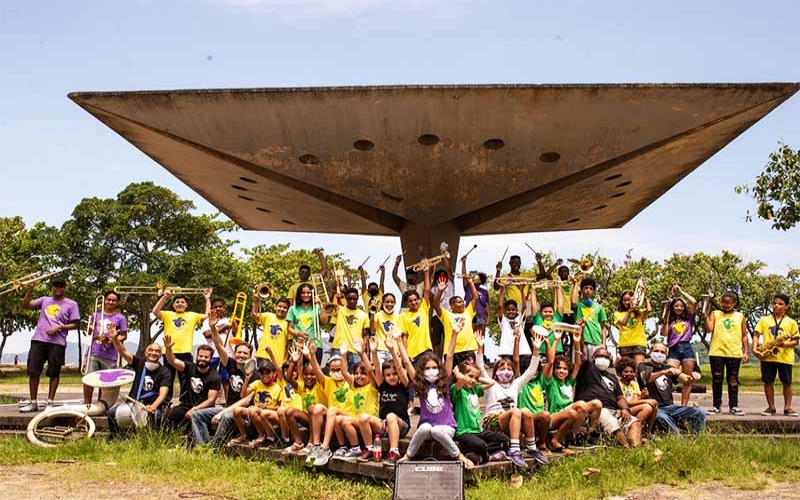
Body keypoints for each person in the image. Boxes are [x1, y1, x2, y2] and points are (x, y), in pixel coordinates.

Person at [478, 325, 549, 466]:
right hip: (492, 421)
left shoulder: (516, 384)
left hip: (512, 422)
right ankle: (515, 450)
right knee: (517, 411)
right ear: (495, 372)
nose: (506, 371)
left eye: (509, 368)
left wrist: (536, 351)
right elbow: (480, 367)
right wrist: (480, 349)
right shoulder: (492, 384)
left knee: (526, 411)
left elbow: (530, 371)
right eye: (502, 368)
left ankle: (532, 447)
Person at [397, 349, 474, 468]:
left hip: (446, 428)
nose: (431, 371)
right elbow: (407, 363)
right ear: (422, 371)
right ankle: (408, 456)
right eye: (427, 368)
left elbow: (449, 357)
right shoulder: (421, 386)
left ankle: (459, 456)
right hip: (428, 430)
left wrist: (454, 333)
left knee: (436, 430)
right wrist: (397, 343)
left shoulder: (445, 383)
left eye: (434, 367)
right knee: (425, 427)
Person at [191, 316, 256, 446]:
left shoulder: (253, 373)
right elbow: (219, 345)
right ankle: (202, 446)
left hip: (243, 413)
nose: (241, 356)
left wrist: (223, 412)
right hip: (228, 408)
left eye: (245, 354)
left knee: (225, 417)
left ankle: (214, 449)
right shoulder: (231, 364)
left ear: (250, 356)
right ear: (234, 353)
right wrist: (213, 328)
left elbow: (246, 401)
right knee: (197, 415)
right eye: (239, 352)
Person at [447, 338, 510, 466]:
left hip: (478, 430)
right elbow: (459, 381)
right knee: (481, 445)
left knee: (504, 439)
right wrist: (459, 374)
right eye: (470, 377)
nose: (473, 381)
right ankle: (487, 457)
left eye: (475, 378)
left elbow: (492, 382)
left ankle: (479, 454)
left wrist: (475, 377)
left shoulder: (474, 390)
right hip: (464, 432)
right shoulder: (457, 390)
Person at [20, 278, 80, 412]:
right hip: (39, 340)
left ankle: (50, 403)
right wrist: (30, 288)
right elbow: (26, 305)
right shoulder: (44, 300)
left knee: (54, 373)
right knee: (33, 372)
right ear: (52, 287)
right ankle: (33, 402)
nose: (58, 289)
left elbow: (75, 325)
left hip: (57, 343)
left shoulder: (71, 304)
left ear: (64, 288)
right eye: (55, 286)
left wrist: (59, 327)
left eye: (61, 286)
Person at [313, 342, 379, 465]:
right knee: (337, 417)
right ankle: (347, 448)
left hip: (369, 422)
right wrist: (343, 355)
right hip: (356, 420)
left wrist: (362, 353)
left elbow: (370, 370)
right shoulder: (354, 386)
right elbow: (344, 372)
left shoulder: (372, 386)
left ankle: (327, 447)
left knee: (340, 418)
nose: (359, 376)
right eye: (357, 373)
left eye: (363, 374)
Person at [540, 327, 597, 453]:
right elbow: (550, 361)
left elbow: (578, 363)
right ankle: (574, 438)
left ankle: (589, 434)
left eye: (565, 369)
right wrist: (555, 340)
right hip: (555, 416)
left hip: (571, 413)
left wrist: (577, 343)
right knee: (580, 405)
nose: (562, 371)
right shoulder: (551, 382)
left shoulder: (569, 381)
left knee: (596, 404)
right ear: (554, 370)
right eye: (559, 368)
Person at [356, 334, 410, 464]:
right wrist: (368, 353)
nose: (392, 377)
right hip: (384, 424)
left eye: (394, 374)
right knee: (363, 417)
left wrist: (392, 350)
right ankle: (369, 448)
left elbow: (400, 368)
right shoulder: (383, 386)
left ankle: (394, 451)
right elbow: (371, 370)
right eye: (388, 375)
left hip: (401, 424)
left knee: (391, 416)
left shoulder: (404, 385)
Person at [575, 346, 642, 448]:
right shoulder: (587, 369)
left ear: (610, 359)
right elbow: (581, 352)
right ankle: (626, 448)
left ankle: (636, 450)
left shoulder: (612, 377)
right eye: (600, 356)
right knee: (611, 421)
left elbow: (620, 397)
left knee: (635, 422)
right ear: (593, 357)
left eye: (606, 357)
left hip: (615, 410)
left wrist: (625, 409)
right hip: (596, 410)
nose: (603, 359)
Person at [108, 327, 170, 434]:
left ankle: (152, 440)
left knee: (156, 416)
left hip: (151, 405)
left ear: (160, 355)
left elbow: (163, 394)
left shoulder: (165, 372)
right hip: (133, 403)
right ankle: (116, 437)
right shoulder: (139, 363)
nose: (153, 353)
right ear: (145, 353)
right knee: (112, 413)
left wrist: (154, 406)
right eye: (150, 350)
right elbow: (123, 352)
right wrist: (114, 339)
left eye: (157, 351)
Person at [637, 342, 706, 434]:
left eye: (662, 352)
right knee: (663, 418)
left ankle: (698, 436)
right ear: (650, 352)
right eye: (656, 351)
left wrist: (693, 377)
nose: (659, 354)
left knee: (699, 412)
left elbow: (685, 380)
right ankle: (679, 440)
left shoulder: (669, 367)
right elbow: (646, 377)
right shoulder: (643, 366)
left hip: (671, 406)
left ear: (666, 355)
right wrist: (664, 372)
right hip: (655, 408)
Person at [152, 289, 211, 395]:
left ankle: (185, 402)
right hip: (169, 352)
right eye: (177, 302)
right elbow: (155, 311)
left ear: (186, 305)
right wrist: (165, 297)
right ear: (173, 305)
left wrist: (207, 299)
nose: (180, 304)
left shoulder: (192, 315)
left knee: (186, 380)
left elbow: (207, 315)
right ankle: (166, 403)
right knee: (167, 378)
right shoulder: (168, 315)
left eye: (182, 302)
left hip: (185, 352)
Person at [303, 344, 351, 466]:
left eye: (339, 369)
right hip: (331, 417)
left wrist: (344, 355)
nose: (336, 372)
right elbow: (317, 370)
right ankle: (316, 446)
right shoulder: (328, 382)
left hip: (348, 416)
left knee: (332, 410)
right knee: (317, 407)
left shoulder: (351, 380)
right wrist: (312, 355)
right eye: (333, 370)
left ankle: (325, 448)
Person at [753, 294, 799, 417]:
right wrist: (755, 349)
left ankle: (788, 407)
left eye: (780, 304)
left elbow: (796, 341)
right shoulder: (764, 320)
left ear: (786, 307)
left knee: (787, 382)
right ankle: (771, 407)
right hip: (768, 356)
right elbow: (756, 334)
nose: (776, 306)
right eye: (774, 303)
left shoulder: (791, 322)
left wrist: (784, 344)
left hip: (785, 358)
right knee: (768, 382)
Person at [704, 291, 749, 415]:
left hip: (734, 352)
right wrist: (705, 316)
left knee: (733, 379)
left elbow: (744, 335)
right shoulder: (715, 314)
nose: (726, 305)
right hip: (717, 352)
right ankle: (716, 405)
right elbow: (708, 329)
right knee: (717, 379)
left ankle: (733, 406)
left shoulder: (740, 316)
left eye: (729, 303)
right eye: (724, 302)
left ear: (735, 303)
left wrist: (746, 352)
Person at [163, 338, 221, 431]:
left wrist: (195, 409)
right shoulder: (189, 367)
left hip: (203, 409)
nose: (202, 359)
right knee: (171, 415)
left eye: (206, 357)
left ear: (210, 358)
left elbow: (211, 400)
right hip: (185, 405)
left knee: (195, 421)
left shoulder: (215, 376)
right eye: (200, 356)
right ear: (196, 356)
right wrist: (168, 349)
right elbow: (172, 361)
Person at [83, 290, 129, 405]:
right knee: (89, 379)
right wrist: (90, 328)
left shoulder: (120, 317)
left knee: (104, 383)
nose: (110, 302)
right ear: (104, 300)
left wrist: (112, 340)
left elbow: (124, 335)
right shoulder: (96, 315)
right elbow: (89, 332)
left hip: (110, 354)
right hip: (94, 352)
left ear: (117, 302)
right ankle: (87, 404)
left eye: (113, 300)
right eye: (108, 299)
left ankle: (101, 405)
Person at [232, 346, 283, 447]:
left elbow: (280, 407)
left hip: (270, 414)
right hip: (255, 413)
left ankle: (262, 435)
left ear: (274, 373)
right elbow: (243, 395)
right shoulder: (257, 383)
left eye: (268, 372)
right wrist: (247, 379)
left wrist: (267, 407)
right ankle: (243, 435)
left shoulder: (278, 385)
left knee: (253, 410)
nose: (265, 375)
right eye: (262, 373)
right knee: (236, 410)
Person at [280, 346, 325, 454]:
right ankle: (298, 442)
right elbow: (289, 378)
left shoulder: (321, 384)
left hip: (322, 420)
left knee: (312, 409)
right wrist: (293, 362)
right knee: (289, 411)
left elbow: (318, 371)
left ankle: (311, 443)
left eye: (312, 374)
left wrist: (310, 356)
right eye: (306, 374)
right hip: (308, 419)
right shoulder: (302, 386)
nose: (309, 377)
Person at [662, 285, 699, 406]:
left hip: (686, 348)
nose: (679, 308)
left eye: (681, 306)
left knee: (687, 380)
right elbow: (664, 333)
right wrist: (666, 315)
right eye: (676, 306)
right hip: (673, 349)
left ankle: (684, 406)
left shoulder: (689, 319)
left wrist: (681, 291)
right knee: (668, 375)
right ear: (673, 308)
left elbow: (693, 302)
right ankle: (668, 403)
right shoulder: (670, 319)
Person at [434, 269, 479, 366]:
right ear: (452, 305)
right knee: (452, 379)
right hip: (451, 352)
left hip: (468, 350)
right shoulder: (446, 315)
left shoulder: (468, 312)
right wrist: (440, 291)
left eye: (462, 301)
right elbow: (436, 304)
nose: (462, 303)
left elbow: (475, 297)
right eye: (459, 302)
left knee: (469, 378)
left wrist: (470, 282)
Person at [614, 357, 658, 438]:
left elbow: (635, 400)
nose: (629, 374)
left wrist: (642, 396)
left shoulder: (634, 384)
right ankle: (635, 430)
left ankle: (648, 432)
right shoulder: (617, 384)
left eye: (631, 372)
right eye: (626, 372)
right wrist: (646, 401)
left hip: (632, 408)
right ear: (620, 373)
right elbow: (626, 403)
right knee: (647, 407)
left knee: (654, 405)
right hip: (622, 410)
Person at [287, 283, 329, 365]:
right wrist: (299, 333)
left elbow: (324, 322)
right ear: (299, 294)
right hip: (298, 345)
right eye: (303, 293)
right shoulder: (292, 309)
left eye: (308, 293)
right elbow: (289, 328)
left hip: (315, 344)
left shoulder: (316, 307)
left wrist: (320, 303)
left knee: (315, 371)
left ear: (313, 294)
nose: (306, 295)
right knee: (299, 372)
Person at [200, 298, 231, 399]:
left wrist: (233, 324)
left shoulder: (228, 320)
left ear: (224, 308)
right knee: (210, 379)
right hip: (213, 355)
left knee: (226, 380)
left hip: (227, 355)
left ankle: (228, 401)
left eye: (220, 307)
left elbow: (236, 333)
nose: (218, 308)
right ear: (211, 309)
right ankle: (208, 401)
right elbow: (208, 334)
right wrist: (223, 328)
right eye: (215, 307)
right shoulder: (207, 321)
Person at [331, 287, 370, 368]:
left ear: (357, 298)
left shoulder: (364, 315)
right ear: (345, 298)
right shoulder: (338, 310)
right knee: (338, 376)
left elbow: (366, 335)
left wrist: (365, 350)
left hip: (356, 350)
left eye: (354, 299)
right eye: (349, 299)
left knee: (355, 377)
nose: (352, 301)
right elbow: (327, 315)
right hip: (339, 348)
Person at [496, 285, 532, 367]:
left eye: (513, 310)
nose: (511, 312)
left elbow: (524, 307)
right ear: (505, 311)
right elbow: (500, 306)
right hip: (507, 352)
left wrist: (522, 291)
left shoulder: (520, 318)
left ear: (516, 310)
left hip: (523, 351)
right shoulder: (503, 320)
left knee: (524, 376)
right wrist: (502, 290)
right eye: (508, 310)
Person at [571, 278, 608, 358]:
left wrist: (603, 343)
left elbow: (603, 327)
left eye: (591, 289)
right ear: (581, 289)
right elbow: (573, 302)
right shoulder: (578, 304)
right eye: (586, 288)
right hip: (580, 340)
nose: (588, 290)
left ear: (594, 291)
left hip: (596, 341)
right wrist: (576, 284)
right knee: (580, 365)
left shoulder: (599, 307)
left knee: (595, 368)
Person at [613, 289, 651, 365]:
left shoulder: (639, 312)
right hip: (625, 344)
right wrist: (630, 310)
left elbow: (649, 310)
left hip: (639, 342)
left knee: (639, 366)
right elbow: (623, 322)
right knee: (627, 368)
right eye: (624, 300)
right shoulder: (617, 313)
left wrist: (645, 297)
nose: (626, 302)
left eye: (629, 300)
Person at [429, 246, 455, 358]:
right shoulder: (434, 288)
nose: (442, 277)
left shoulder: (450, 284)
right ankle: (437, 364)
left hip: (449, 315)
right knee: (436, 343)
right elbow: (428, 286)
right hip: (436, 316)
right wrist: (433, 268)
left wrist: (445, 256)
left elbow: (449, 270)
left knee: (449, 341)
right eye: (439, 276)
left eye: (443, 275)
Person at [252, 294, 290, 368]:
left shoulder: (289, 323)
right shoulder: (268, 316)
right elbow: (254, 316)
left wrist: (285, 359)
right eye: (280, 306)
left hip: (278, 359)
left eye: (285, 308)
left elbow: (289, 344)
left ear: (288, 310)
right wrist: (256, 302)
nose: (282, 309)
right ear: (275, 307)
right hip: (263, 355)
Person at [461, 256, 489, 345]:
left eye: (478, 278)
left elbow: (486, 305)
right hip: (470, 314)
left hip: (481, 315)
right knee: (470, 335)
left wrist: (488, 317)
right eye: (474, 277)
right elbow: (464, 275)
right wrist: (463, 263)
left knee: (481, 337)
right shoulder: (467, 288)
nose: (476, 279)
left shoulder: (484, 291)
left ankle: (480, 356)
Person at [371, 293, 398, 365]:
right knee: (379, 371)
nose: (389, 304)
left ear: (395, 303)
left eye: (392, 302)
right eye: (387, 302)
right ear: (383, 303)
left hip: (394, 350)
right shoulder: (378, 315)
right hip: (380, 349)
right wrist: (372, 314)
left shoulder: (398, 317)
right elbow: (372, 328)